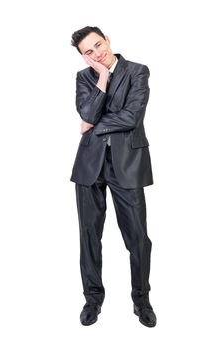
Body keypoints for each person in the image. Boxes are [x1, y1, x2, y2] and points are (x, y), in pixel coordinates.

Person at [70, 26, 157, 327]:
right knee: (89, 236)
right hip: (89, 166)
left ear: (107, 40)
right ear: (83, 58)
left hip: (127, 164)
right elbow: (87, 110)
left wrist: (93, 124)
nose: (97, 54)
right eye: (88, 52)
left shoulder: (137, 72)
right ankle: (93, 299)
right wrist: (103, 77)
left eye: (98, 45)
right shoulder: (84, 78)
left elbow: (132, 117)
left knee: (138, 238)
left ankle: (141, 299)